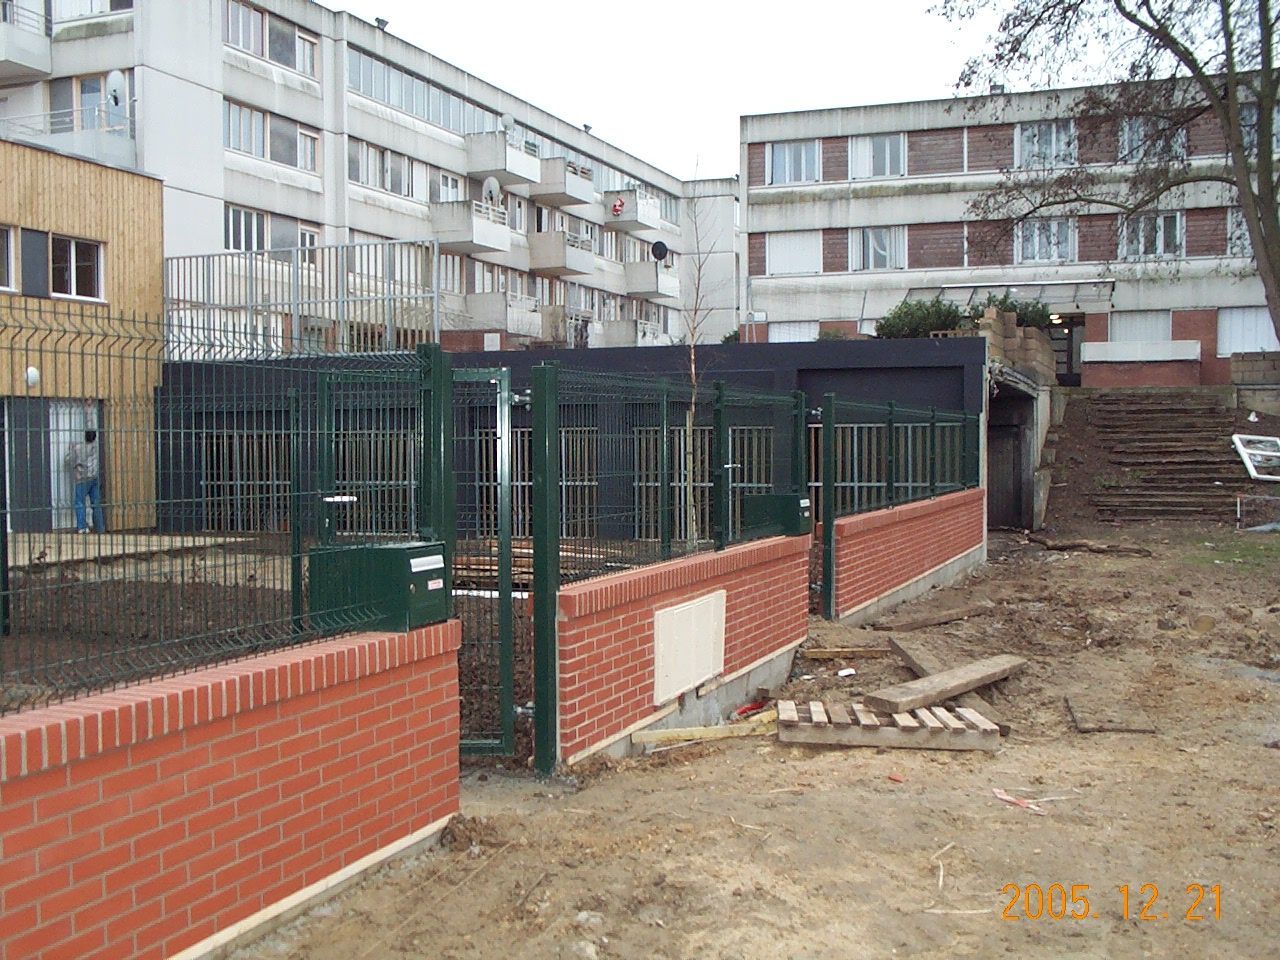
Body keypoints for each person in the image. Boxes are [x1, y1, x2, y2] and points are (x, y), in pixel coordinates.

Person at [66, 429, 105, 533]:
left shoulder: (78, 448)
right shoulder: (95, 447)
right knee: (96, 503)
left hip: (82, 479)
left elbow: (68, 460)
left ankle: (82, 528)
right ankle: (99, 527)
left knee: (80, 503)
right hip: (94, 477)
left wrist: (71, 449)